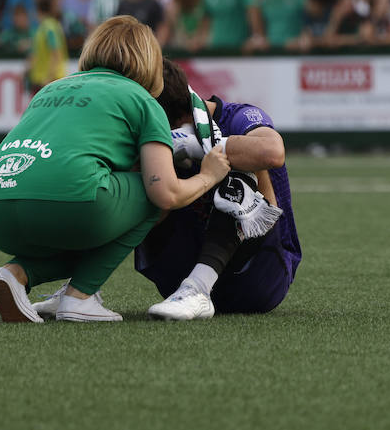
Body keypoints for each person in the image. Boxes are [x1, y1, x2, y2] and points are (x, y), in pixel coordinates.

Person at [0, 16, 233, 323]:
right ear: (148, 60)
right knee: (150, 198)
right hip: (70, 203)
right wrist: (209, 175)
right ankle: (80, 297)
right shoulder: (142, 100)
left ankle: (15, 273)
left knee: (81, 217)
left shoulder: (52, 88)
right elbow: (165, 192)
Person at [97, 59, 301, 320]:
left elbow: (272, 152)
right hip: (174, 281)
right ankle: (80, 290)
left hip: (257, 279)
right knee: (130, 177)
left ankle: (198, 287)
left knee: (238, 162)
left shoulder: (237, 116)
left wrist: (199, 145)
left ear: (179, 117)